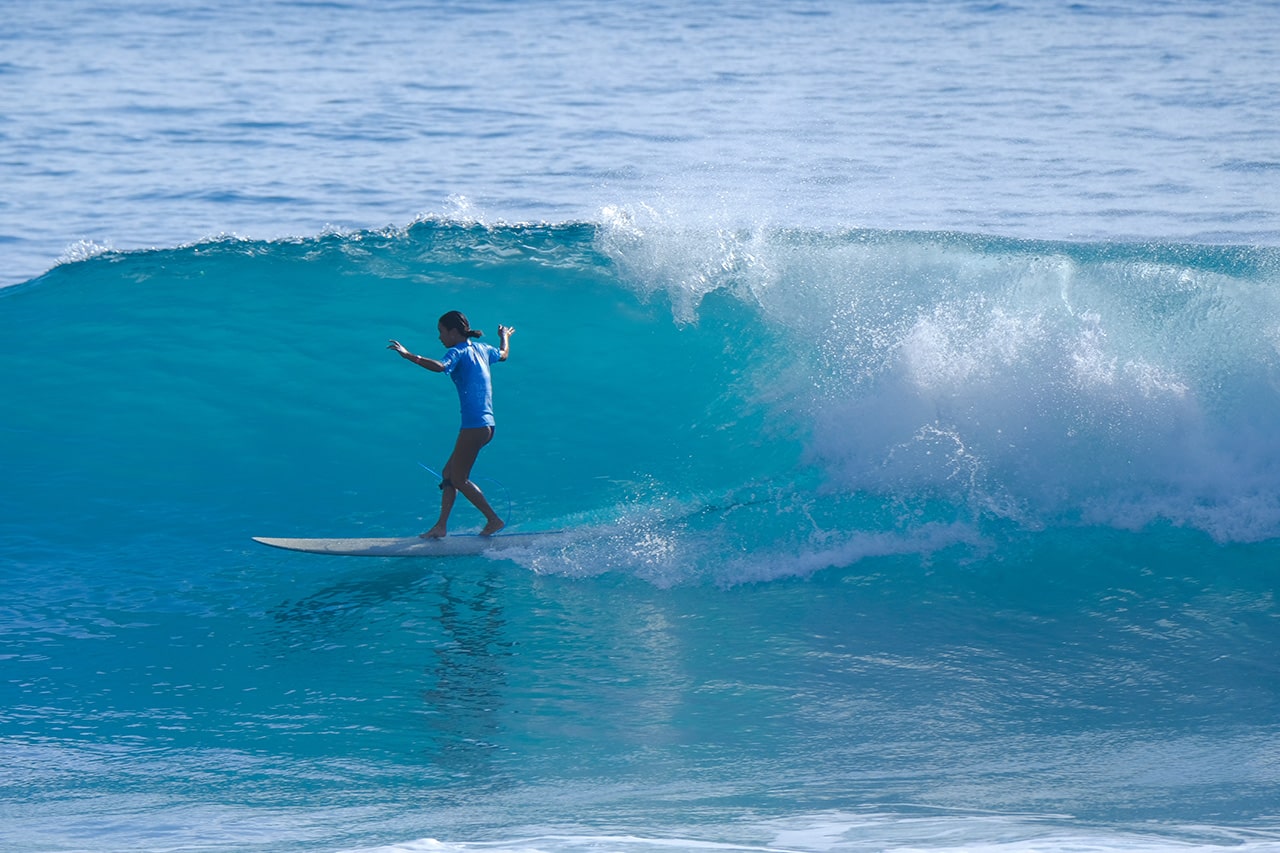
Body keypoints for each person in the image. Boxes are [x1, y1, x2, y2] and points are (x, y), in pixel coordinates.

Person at [388, 311, 513, 538]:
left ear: (453, 332)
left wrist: (409, 356)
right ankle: (440, 527)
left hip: (474, 426)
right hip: (486, 425)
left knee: (458, 479)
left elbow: (440, 367)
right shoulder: (483, 349)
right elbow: (503, 354)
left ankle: (493, 520)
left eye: (441, 332)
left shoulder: (458, 352)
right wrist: (504, 336)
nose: (439, 338)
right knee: (448, 474)